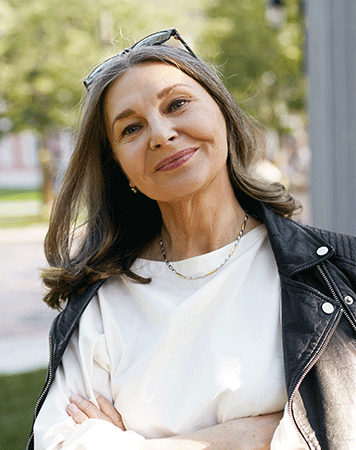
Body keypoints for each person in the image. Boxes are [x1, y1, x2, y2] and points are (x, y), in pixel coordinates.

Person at [28, 29, 356, 450]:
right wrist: (243, 438)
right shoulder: (101, 303)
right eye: (131, 128)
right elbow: (59, 442)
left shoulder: (335, 274)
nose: (161, 134)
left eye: (177, 103)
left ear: (222, 111)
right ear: (121, 168)